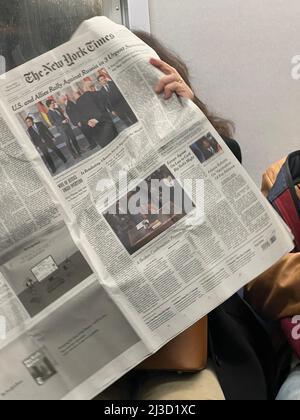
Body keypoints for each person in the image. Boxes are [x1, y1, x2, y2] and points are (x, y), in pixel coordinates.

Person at [97, 32, 280, 401]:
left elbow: (227, 215)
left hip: (195, 346)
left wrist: (188, 118)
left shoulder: (213, 142)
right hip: (102, 352)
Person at [74, 81, 118, 149]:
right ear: (92, 87)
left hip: (93, 128)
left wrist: (88, 122)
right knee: (115, 143)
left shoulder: (78, 101)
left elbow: (80, 116)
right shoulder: (98, 94)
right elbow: (104, 108)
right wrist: (96, 119)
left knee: (105, 146)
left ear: (83, 89)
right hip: (106, 124)